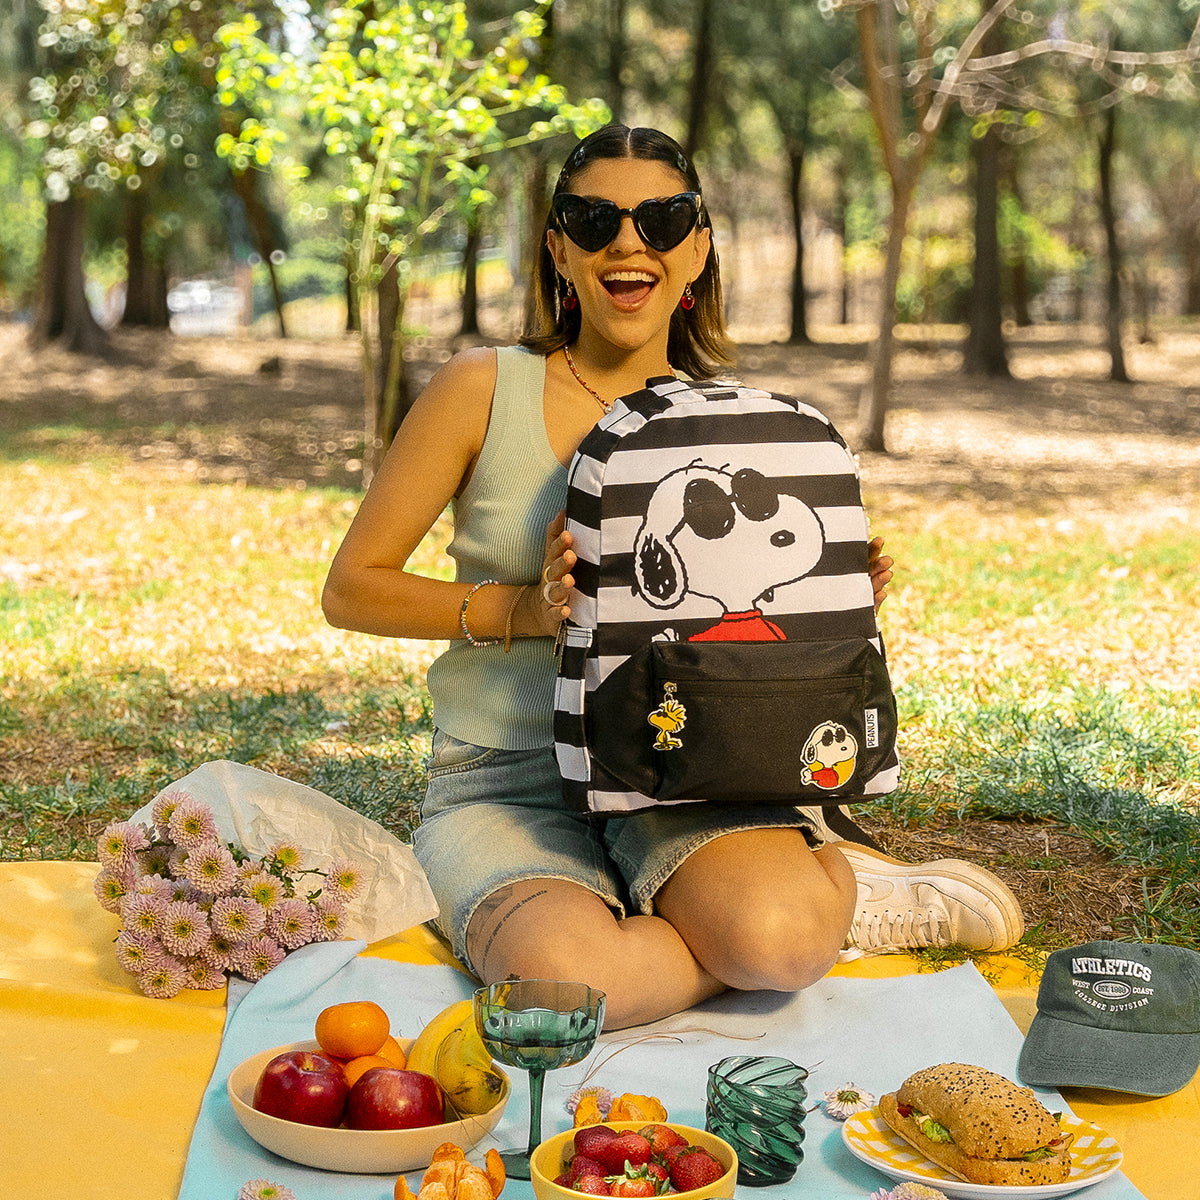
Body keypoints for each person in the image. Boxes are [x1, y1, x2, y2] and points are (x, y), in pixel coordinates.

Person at [322, 124, 1023, 1030]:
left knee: (781, 946)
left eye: (661, 220)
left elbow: (727, 618)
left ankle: (828, 898)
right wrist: (526, 613)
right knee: (564, 995)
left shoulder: (733, 425)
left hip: (685, 764)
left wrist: (818, 607)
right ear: (557, 248)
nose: (627, 242)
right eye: (593, 218)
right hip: (507, 779)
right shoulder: (481, 388)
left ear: (696, 252)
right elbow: (353, 587)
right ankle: (759, 909)